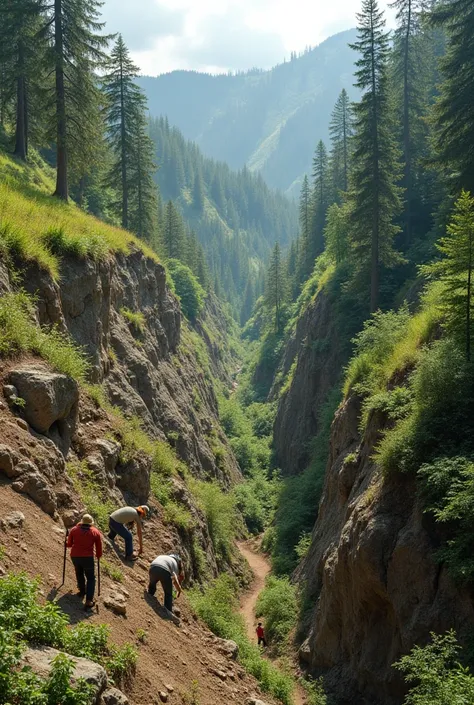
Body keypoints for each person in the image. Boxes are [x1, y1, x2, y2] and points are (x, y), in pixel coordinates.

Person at [67, 514, 103, 609]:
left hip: (75, 556)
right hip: (88, 558)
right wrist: (98, 555)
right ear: (91, 523)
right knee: (91, 578)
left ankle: (82, 592)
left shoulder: (74, 530)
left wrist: (65, 543)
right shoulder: (95, 532)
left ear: (82, 522)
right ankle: (89, 600)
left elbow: (69, 544)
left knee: (79, 573)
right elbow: (99, 547)